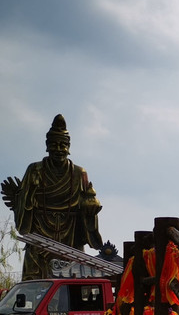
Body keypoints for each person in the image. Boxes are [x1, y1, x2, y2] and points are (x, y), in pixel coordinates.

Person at [1, 114, 103, 280]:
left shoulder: (79, 173)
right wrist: (31, 190)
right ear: (47, 146)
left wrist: (91, 209)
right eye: (54, 144)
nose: (58, 149)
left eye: (63, 145)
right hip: (39, 234)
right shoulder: (35, 169)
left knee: (73, 280)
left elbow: (89, 200)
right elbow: (25, 206)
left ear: (69, 147)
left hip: (70, 234)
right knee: (34, 281)